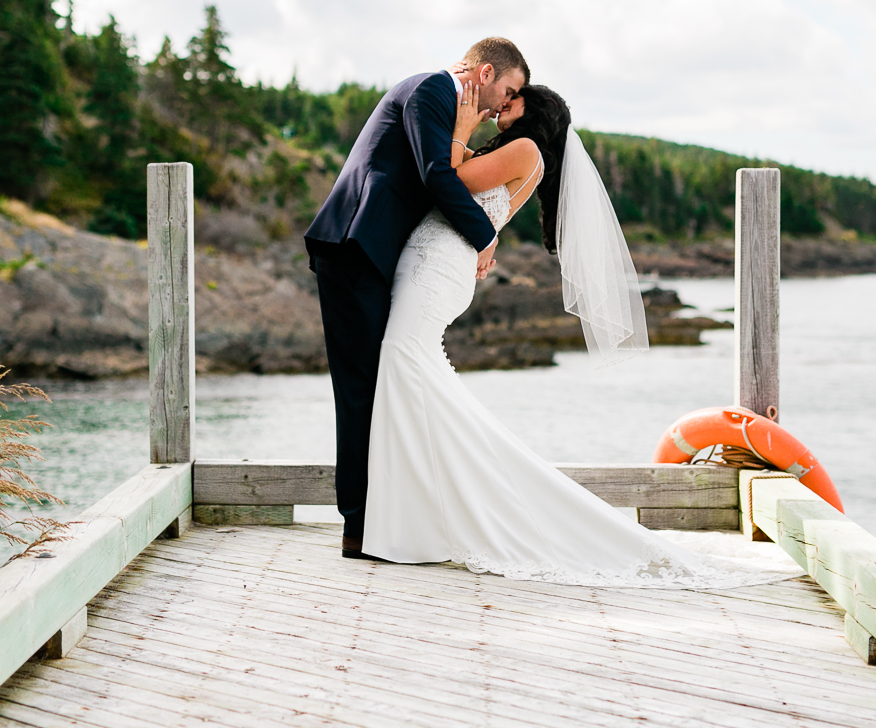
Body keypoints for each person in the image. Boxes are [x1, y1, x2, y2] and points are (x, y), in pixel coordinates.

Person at [360, 82, 761, 587]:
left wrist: (462, 129)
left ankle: (419, 518)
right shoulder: (519, 152)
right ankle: (416, 518)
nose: (504, 103)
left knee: (402, 356)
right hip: (435, 260)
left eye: (514, 97)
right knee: (410, 370)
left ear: (537, 111)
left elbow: (454, 180)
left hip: (438, 266)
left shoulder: (526, 151)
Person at [304, 38, 528, 559]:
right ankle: (358, 528)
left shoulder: (447, 104)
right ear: (487, 71)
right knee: (361, 391)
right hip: (355, 246)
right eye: (507, 91)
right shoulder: (433, 89)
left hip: (374, 252)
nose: (502, 106)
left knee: (381, 384)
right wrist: (485, 235)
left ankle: (383, 517)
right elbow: (434, 175)